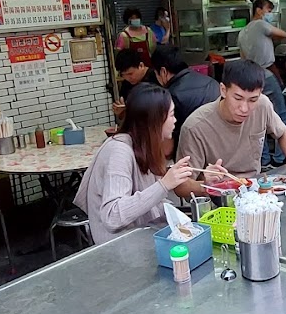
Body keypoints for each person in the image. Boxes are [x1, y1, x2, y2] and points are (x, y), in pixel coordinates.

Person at [74, 84, 195, 245]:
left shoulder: (143, 145)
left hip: (140, 234)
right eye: (172, 115)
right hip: (118, 246)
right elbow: (113, 216)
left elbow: (153, 200)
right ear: (155, 120)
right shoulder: (119, 152)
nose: (175, 120)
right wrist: (164, 185)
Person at [177, 58, 286, 180]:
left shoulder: (262, 104)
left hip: (255, 184)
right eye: (238, 98)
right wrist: (205, 182)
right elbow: (183, 184)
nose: (244, 108)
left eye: (252, 100)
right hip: (218, 189)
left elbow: (282, 132)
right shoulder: (195, 127)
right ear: (223, 90)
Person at [237, 0, 286, 165]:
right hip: (267, 74)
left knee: (258, 117)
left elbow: (243, 57)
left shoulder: (242, 32)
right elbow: (284, 34)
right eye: (268, 10)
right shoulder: (260, 25)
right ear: (258, 10)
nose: (270, 14)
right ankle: (280, 158)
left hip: (252, 77)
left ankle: (263, 159)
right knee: (282, 115)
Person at [151, 45, 220, 144]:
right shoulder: (211, 82)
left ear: (163, 72)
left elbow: (171, 138)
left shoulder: (171, 96)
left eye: (156, 74)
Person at [112, 47, 159, 120]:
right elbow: (122, 117)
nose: (127, 78)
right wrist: (121, 112)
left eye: (130, 74)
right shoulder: (126, 84)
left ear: (141, 65)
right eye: (123, 75)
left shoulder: (156, 78)